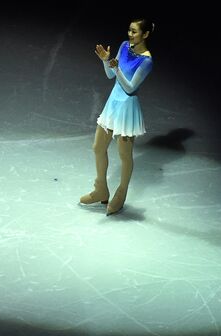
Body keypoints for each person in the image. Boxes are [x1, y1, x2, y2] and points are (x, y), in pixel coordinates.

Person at [80, 18, 154, 216]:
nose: (130, 35)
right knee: (98, 147)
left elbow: (130, 87)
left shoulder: (147, 61)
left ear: (145, 34)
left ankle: (121, 193)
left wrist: (115, 67)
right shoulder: (123, 46)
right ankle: (101, 189)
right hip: (113, 103)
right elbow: (111, 76)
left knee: (124, 155)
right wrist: (106, 60)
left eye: (135, 32)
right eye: (129, 30)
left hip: (127, 109)